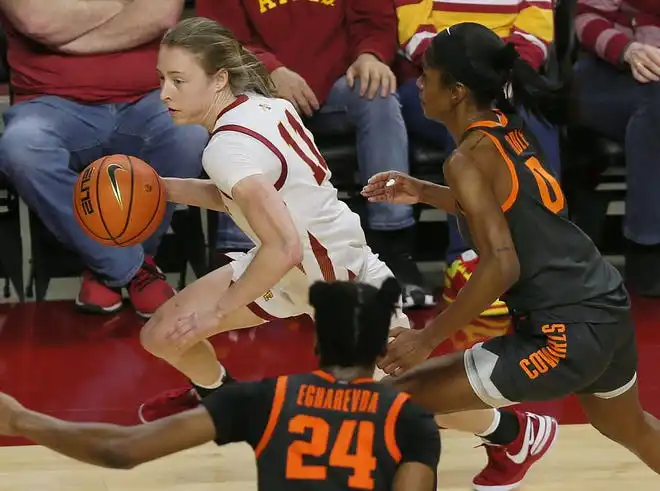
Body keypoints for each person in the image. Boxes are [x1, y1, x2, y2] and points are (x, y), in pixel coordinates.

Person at [362, 22, 660, 486]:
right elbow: (511, 209)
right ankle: (517, 441)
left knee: (393, 402)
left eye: (428, 74)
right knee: (629, 426)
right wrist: (422, 191)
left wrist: (427, 338)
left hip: (563, 331)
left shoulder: (465, 159)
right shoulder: (506, 128)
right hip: (604, 306)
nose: (418, 82)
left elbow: (502, 264)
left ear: (457, 91)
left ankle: (518, 438)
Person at [136, 17, 410, 423]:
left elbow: (283, 245)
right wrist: (162, 187)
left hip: (340, 282)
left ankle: (510, 432)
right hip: (288, 269)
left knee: (409, 402)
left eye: (178, 80)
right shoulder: (269, 106)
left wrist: (219, 312)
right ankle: (221, 398)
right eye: (162, 79)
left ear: (218, 79)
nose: (164, 93)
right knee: (163, 332)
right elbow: (248, 199)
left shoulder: (226, 149)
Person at [0, 278, 441, 491]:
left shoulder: (266, 400)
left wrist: (21, 419)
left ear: (318, 341)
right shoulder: (411, 421)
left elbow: (122, 450)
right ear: (379, 348)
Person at [197, 0, 435, 308]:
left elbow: (374, 18)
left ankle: (392, 247)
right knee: (241, 112)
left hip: (339, 81)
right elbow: (219, 36)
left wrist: (370, 54)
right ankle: (237, 251)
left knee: (379, 96)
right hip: (260, 86)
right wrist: (269, 68)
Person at [0, 0, 208, 317]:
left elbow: (161, 15)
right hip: (50, 103)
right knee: (22, 149)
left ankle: (106, 266)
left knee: (190, 135)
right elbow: (37, 22)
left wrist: (68, 28)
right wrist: (124, 8)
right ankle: (136, 270)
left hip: (148, 97)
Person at [395, 0, 558, 318]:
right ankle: (468, 258)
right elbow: (412, 29)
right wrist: (467, 76)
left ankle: (543, 256)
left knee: (537, 118)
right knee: (463, 110)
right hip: (432, 80)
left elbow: (537, 27)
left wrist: (499, 80)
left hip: (506, 81)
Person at [573, 0, 660, 296]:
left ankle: (645, 249)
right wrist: (627, 50)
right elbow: (585, 18)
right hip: (609, 70)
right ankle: (647, 248)